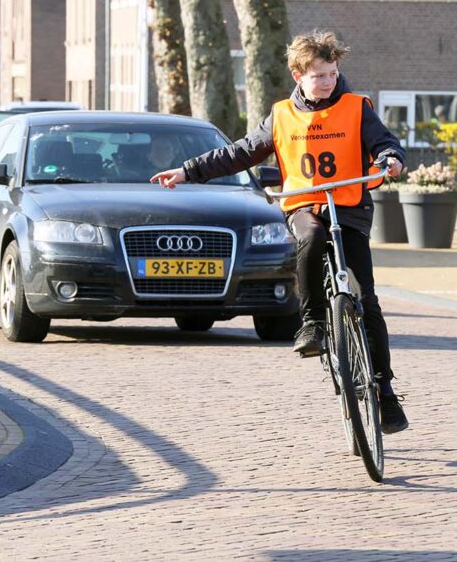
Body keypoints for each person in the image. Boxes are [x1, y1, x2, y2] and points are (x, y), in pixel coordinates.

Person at [149, 30, 409, 434]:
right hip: (305, 204)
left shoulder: (358, 108)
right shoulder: (282, 115)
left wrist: (390, 159)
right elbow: (239, 152)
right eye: (319, 75)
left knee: (367, 299)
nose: (328, 83)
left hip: (350, 207)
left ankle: (386, 393)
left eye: (333, 74)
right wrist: (188, 170)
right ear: (297, 74)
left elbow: (383, 144)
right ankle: (311, 323)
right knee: (310, 238)